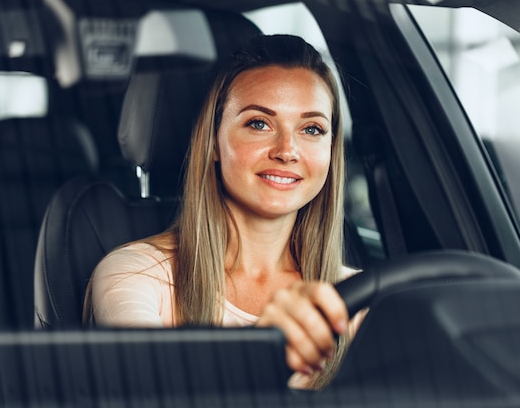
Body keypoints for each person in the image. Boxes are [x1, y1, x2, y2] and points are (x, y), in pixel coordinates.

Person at [84, 34, 367, 389]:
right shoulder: (135, 275)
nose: (287, 150)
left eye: (311, 129)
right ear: (213, 142)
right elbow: (151, 387)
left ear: (331, 150)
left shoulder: (358, 295)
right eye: (259, 123)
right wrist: (261, 356)